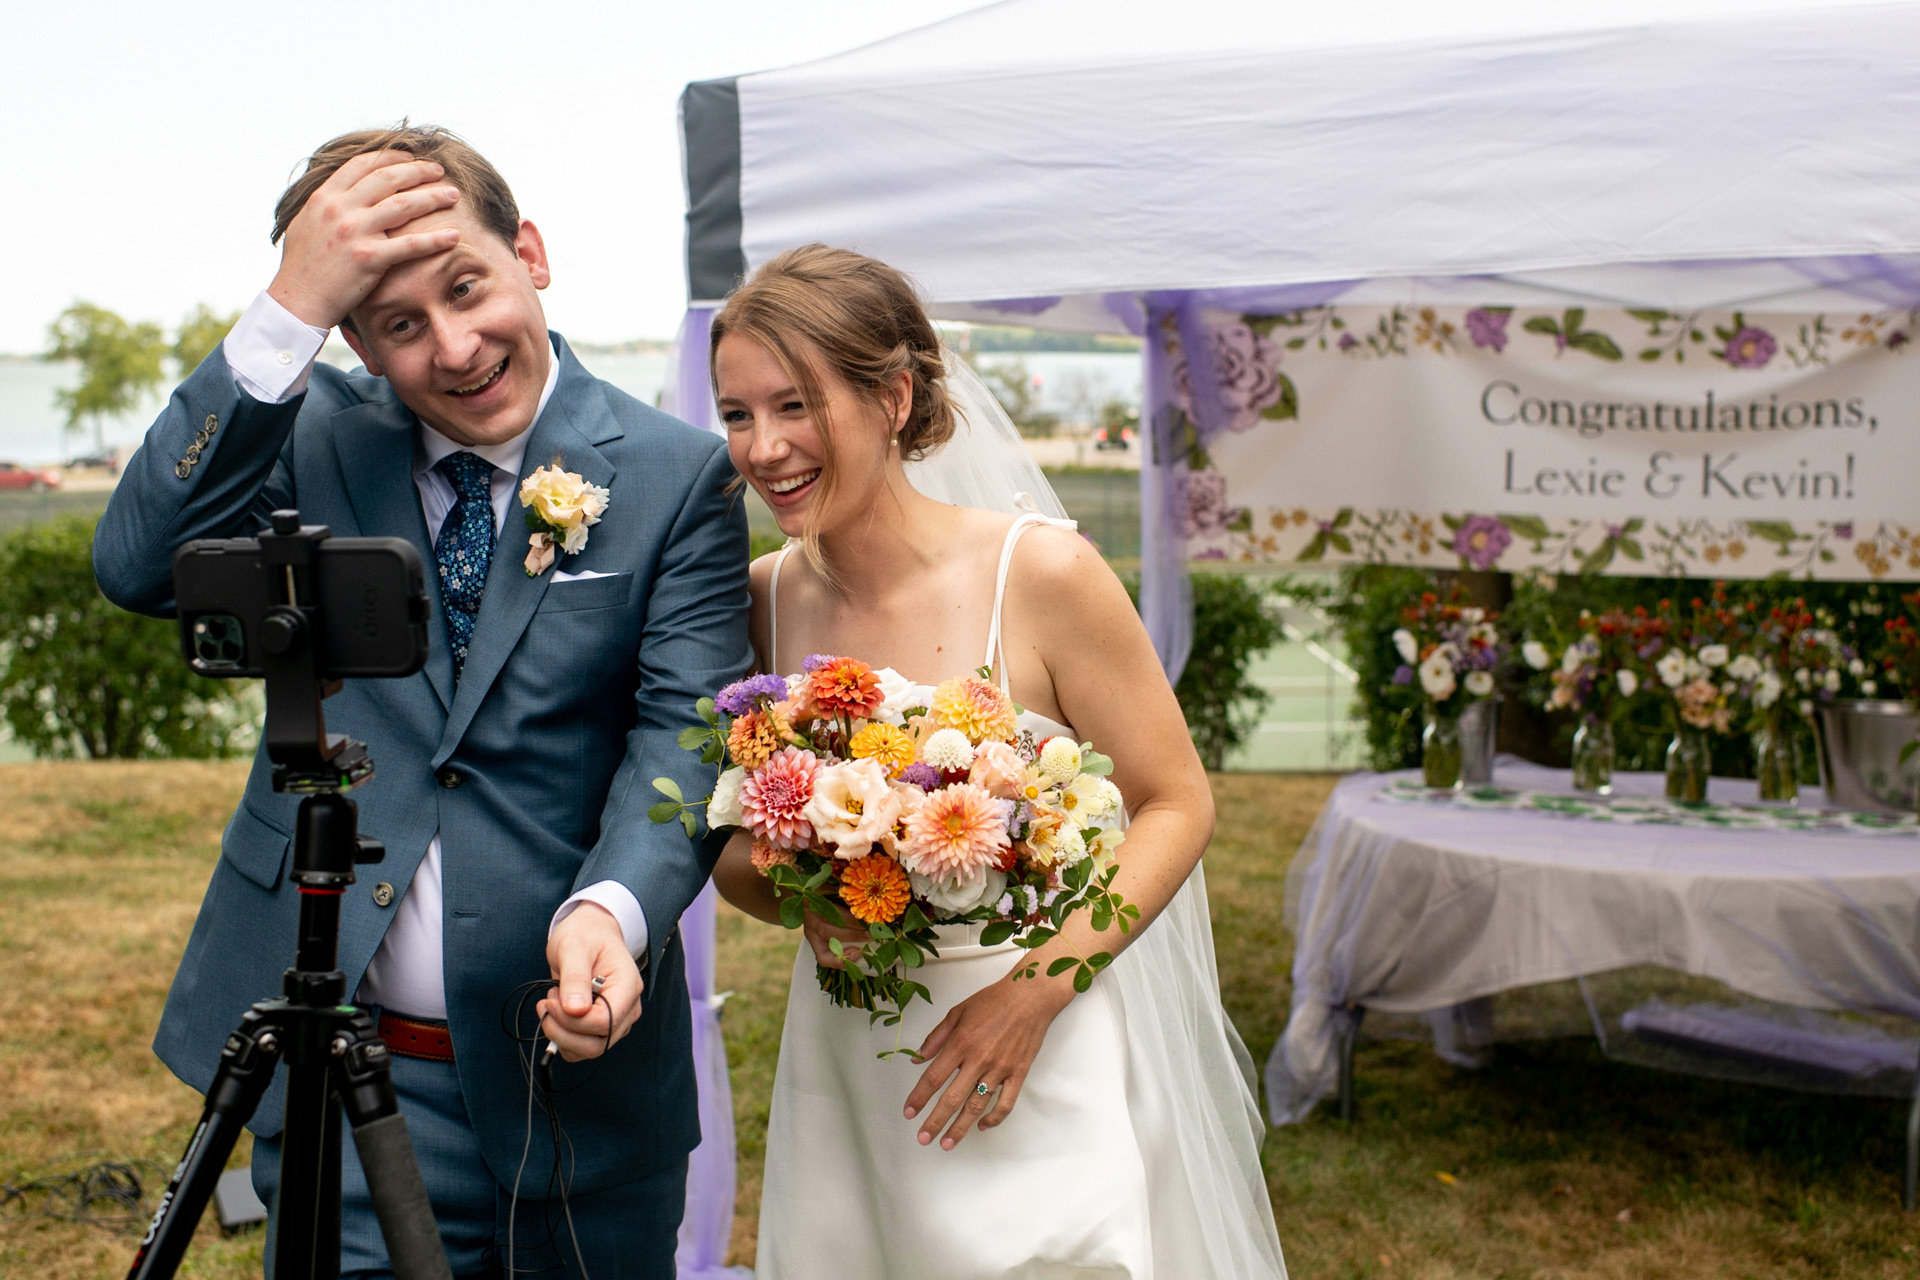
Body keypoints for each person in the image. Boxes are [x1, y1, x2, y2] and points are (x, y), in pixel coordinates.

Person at [93, 125, 751, 1278]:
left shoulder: (675, 472)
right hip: (344, 1085)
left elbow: (686, 735)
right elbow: (141, 565)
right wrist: (287, 306)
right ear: (353, 337)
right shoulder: (307, 440)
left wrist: (615, 908)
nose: (456, 348)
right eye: (398, 323)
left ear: (530, 253)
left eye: (468, 287)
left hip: (579, 1098)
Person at [707, 245, 1288, 1279]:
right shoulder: (762, 598)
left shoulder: (1044, 571)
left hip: (1042, 1050)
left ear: (891, 396)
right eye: (739, 414)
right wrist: (808, 898)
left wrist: (1039, 989)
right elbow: (729, 849)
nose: (765, 446)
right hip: (848, 1067)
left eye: (795, 404)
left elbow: (1176, 802)